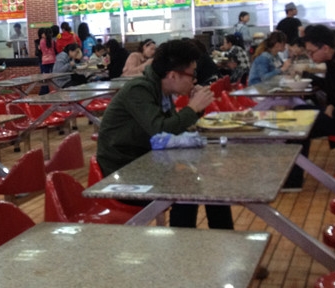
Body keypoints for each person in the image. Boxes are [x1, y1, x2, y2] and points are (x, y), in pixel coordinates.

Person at [97, 38, 233, 230]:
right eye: (192, 74)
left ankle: (222, 240)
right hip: (123, 171)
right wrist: (192, 109)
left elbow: (173, 130)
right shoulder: (139, 89)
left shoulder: (161, 91)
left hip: (147, 161)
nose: (195, 80)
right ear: (173, 75)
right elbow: (160, 130)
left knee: (210, 183)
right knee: (186, 189)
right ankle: (182, 243)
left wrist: (195, 109)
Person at [38, 27, 56, 94]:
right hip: (52, 60)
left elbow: (41, 50)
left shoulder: (42, 41)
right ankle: (54, 90)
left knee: (46, 78)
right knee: (54, 77)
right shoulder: (52, 41)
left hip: (45, 61)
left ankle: (46, 91)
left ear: (45, 34)